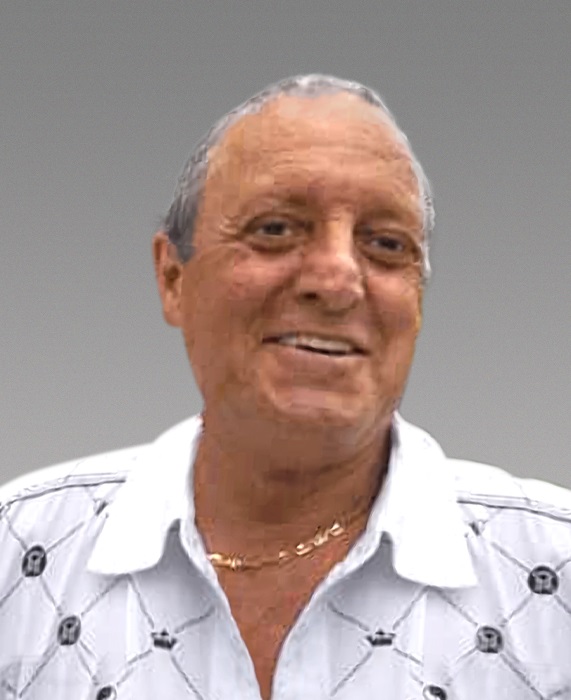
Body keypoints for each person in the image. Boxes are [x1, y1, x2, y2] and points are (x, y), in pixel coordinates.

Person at [0, 74, 569, 700]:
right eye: (275, 230)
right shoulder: (21, 556)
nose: (337, 280)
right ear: (173, 278)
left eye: (386, 244)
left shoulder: (552, 574)